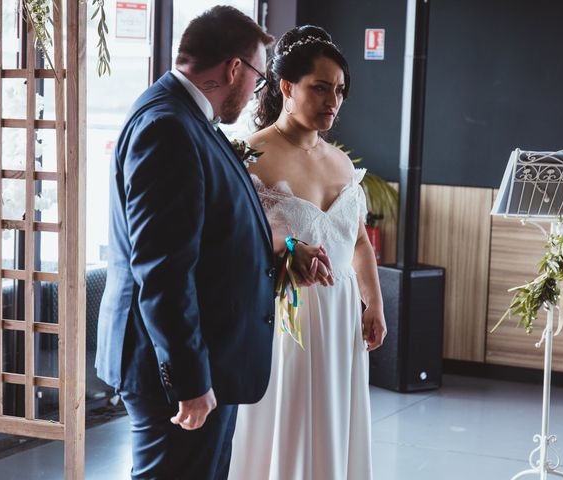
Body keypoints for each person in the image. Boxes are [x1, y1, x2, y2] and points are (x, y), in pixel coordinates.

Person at [95, 7, 330, 480]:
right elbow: (162, 269)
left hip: (205, 357)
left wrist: (282, 250)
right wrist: (190, 379)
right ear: (234, 69)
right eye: (260, 80)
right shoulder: (168, 127)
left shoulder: (188, 119)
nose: (256, 93)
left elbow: (211, 231)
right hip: (178, 369)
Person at [228, 25, 387, 480]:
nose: (332, 101)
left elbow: (357, 240)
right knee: (287, 423)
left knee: (333, 427)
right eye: (320, 88)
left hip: (339, 318)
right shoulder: (249, 156)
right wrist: (285, 249)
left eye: (339, 91)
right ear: (285, 87)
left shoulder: (340, 162)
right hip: (283, 319)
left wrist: (373, 302)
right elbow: (233, 240)